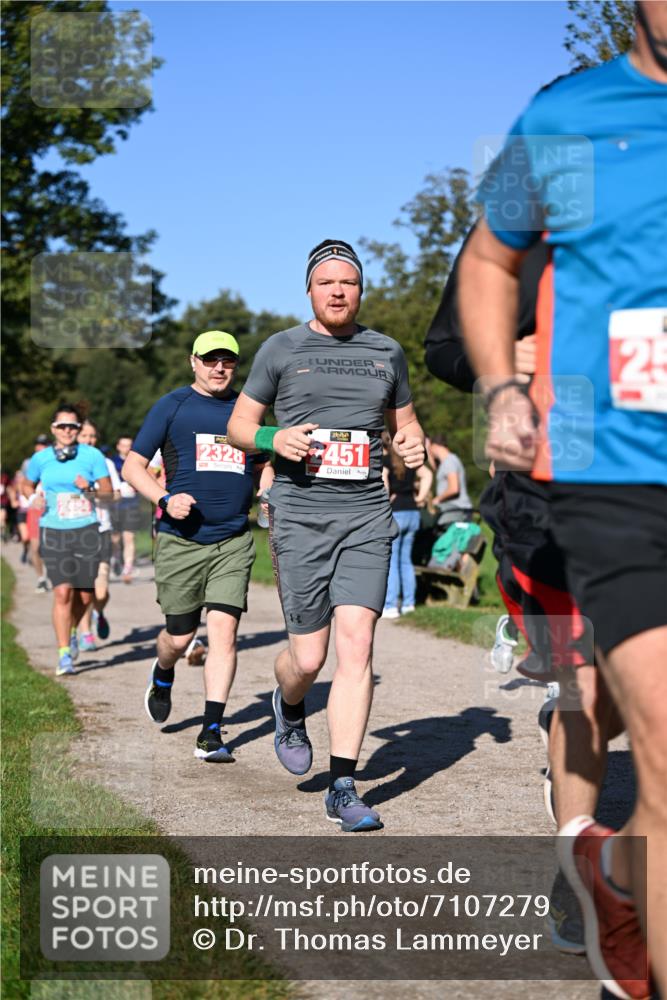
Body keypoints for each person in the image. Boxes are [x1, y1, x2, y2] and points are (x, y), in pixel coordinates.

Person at [459, 5, 667, 994]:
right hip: (609, 473)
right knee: (618, 709)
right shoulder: (566, 116)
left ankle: (610, 866)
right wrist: (505, 385)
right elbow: (487, 260)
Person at [227, 238, 425, 832]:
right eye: (327, 282)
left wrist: (412, 447)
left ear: (361, 290)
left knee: (358, 646)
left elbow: (406, 427)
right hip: (300, 515)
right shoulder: (281, 349)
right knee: (308, 659)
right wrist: (272, 441)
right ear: (310, 289)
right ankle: (289, 705)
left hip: (366, 512)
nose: (339, 291)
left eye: (349, 282)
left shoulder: (386, 352)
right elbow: (239, 425)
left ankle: (344, 784)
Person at [122, 330, 272, 762]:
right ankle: (163, 670)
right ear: (193, 362)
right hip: (181, 541)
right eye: (210, 360)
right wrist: (165, 499)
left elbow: (263, 466)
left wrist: (267, 492)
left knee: (224, 633)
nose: (219, 368)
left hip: (233, 539)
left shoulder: (249, 411)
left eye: (227, 361)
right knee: (180, 635)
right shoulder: (173, 407)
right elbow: (134, 467)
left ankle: (211, 731)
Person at [22, 404, 112, 675]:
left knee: (84, 597)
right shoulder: (41, 459)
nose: (67, 431)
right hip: (53, 529)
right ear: (53, 429)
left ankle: (73, 630)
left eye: (72, 426)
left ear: (78, 428)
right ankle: (64, 655)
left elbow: (108, 492)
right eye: (62, 426)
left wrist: (91, 488)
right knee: (62, 592)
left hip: (85, 530)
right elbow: (26, 484)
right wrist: (32, 497)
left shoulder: (92, 455)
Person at [75, 420, 121, 648]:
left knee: (100, 592)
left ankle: (98, 613)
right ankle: (85, 632)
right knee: (83, 587)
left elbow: (116, 495)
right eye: (84, 435)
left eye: (92, 436)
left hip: (102, 530)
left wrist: (90, 490)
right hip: (75, 532)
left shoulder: (105, 464)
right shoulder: (66, 464)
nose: (89, 440)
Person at [381, 437, 431, 618]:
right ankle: (409, 603)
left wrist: (386, 500)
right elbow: (428, 475)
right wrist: (420, 498)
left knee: (392, 561)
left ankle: (391, 605)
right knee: (406, 560)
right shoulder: (411, 461)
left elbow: (384, 481)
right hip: (413, 512)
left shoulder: (386, 461)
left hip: (397, 513)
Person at [110, 434, 142, 583]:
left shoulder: (138, 461)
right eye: (123, 445)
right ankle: (116, 559)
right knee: (115, 538)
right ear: (118, 446)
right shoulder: (111, 463)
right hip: (114, 505)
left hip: (131, 504)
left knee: (129, 537)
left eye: (129, 445)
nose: (126, 448)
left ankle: (128, 568)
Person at [22, 434, 51, 592]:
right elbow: (24, 484)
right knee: (36, 546)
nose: (42, 448)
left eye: (45, 445)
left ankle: (53, 573)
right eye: (39, 445)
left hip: (54, 507)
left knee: (53, 546)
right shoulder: (29, 463)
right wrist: (32, 497)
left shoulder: (56, 460)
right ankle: (41, 578)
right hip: (36, 509)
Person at [429, 437, 473, 531]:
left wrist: (437, 499)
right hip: (455, 510)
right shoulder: (447, 461)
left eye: (430, 448)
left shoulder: (449, 461)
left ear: (434, 446)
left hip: (456, 510)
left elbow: (454, 488)